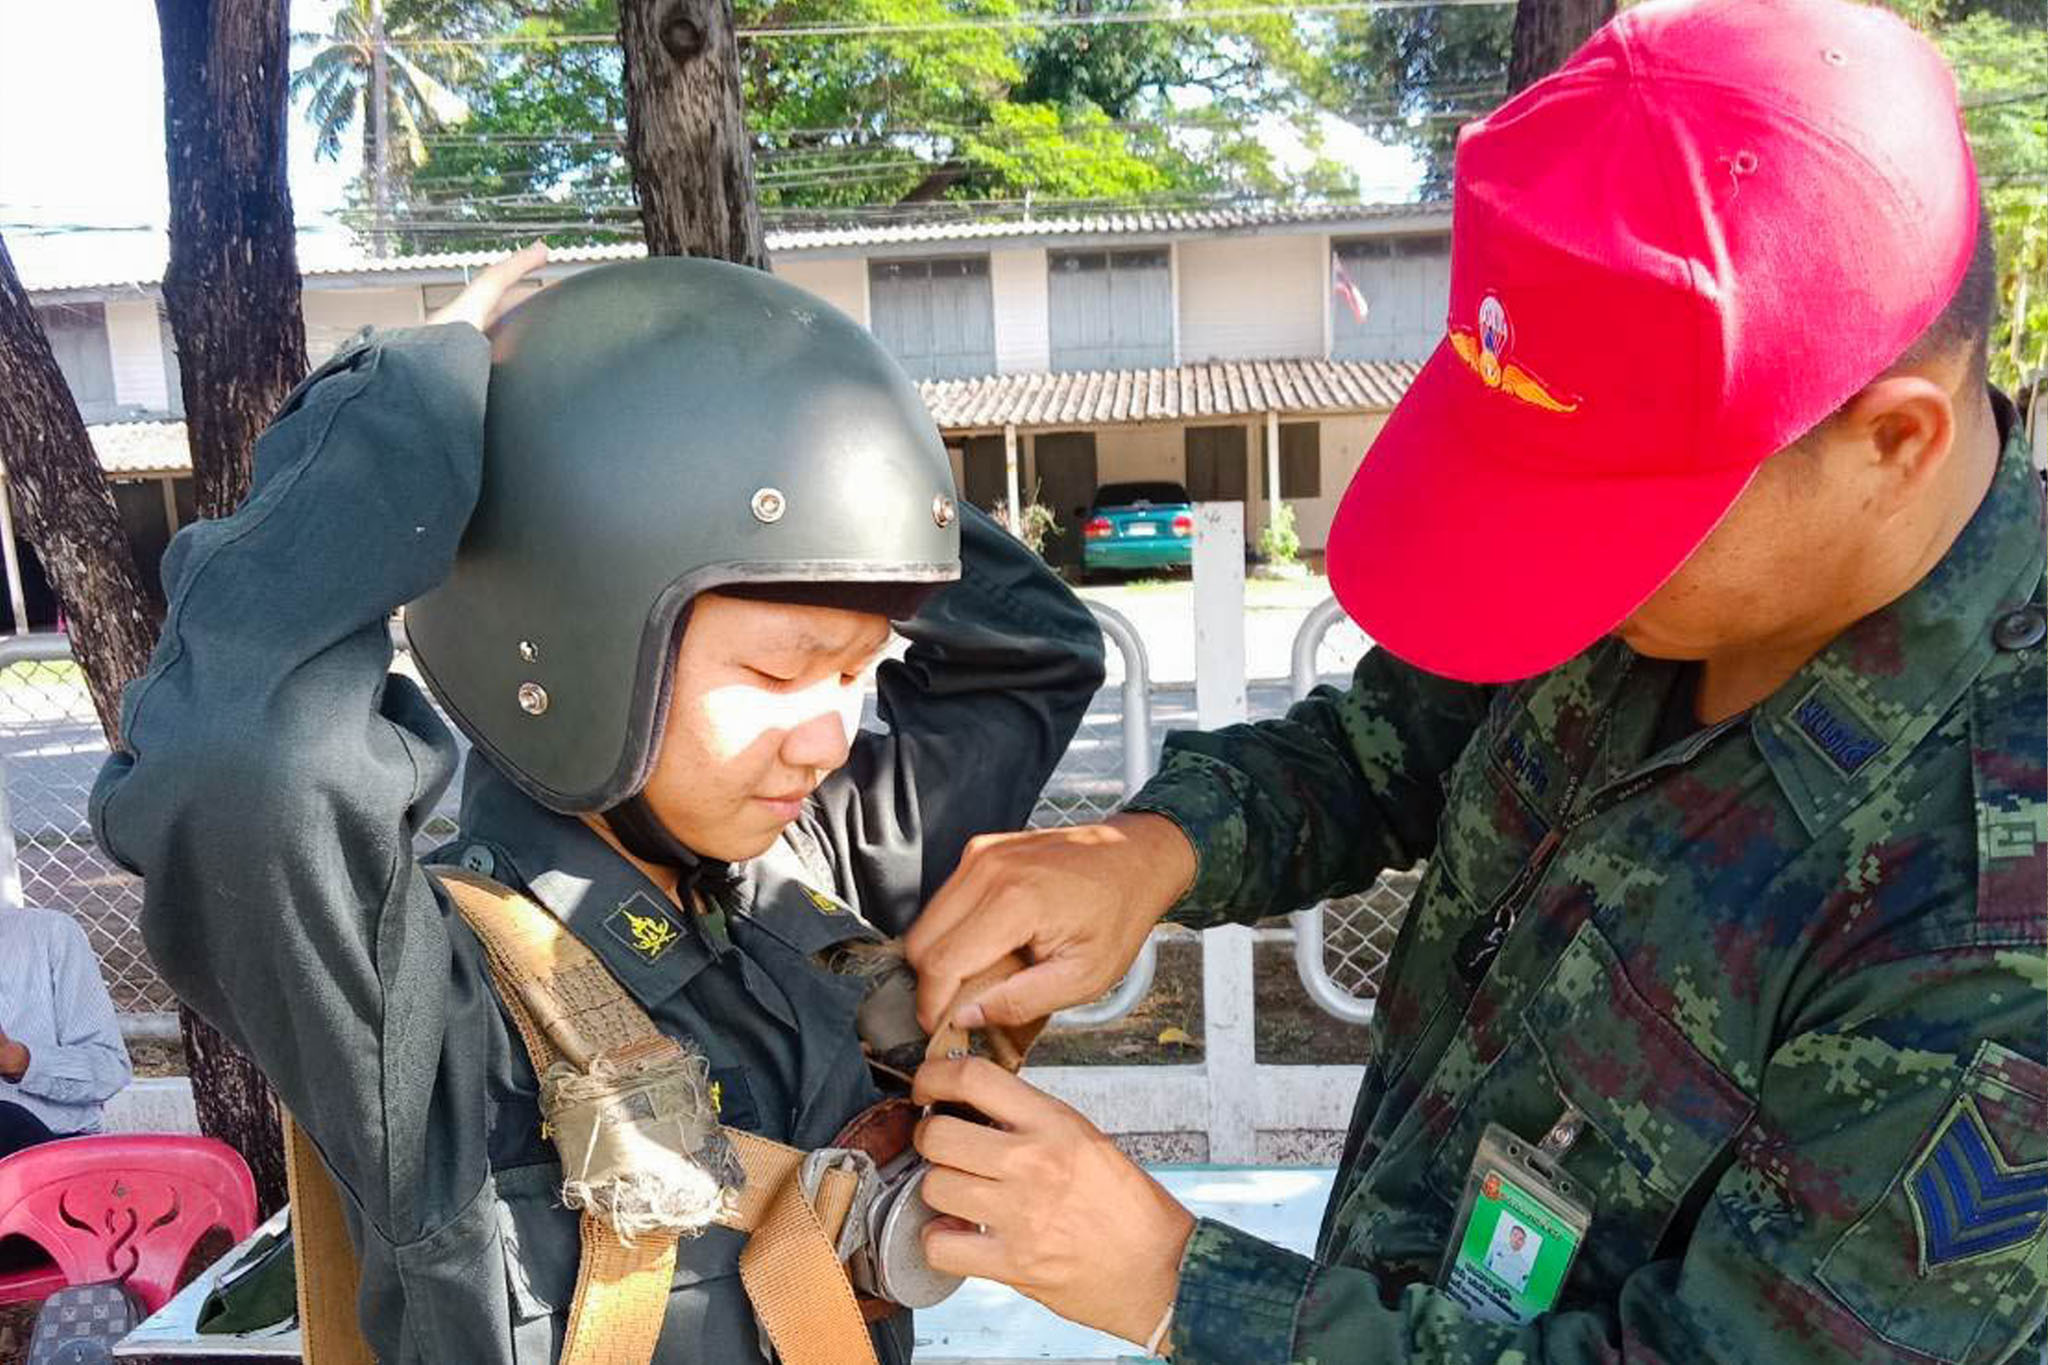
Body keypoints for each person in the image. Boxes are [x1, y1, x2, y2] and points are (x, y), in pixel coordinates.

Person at [899, 1, 2048, 1360]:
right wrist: (1150, 851)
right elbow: (1390, 741)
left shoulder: (1992, 910)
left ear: (1891, 440)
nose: (1565, 585)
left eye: (1609, 530)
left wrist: (1175, 1284)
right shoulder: (1662, 589)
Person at [90, 247, 1105, 1363]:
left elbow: (1030, 656)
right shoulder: (431, 1005)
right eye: (775, 673)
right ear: (566, 635)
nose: (826, 738)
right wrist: (401, 412)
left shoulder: (803, 871)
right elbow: (241, 761)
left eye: (857, 670)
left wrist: (820, 463)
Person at [0, 906, 132, 1157]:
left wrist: (19, 1061)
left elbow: (109, 1071)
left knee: (7, 1119)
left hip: (44, 1149)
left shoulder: (50, 934)